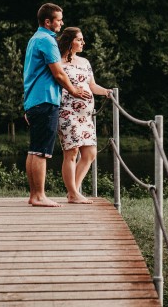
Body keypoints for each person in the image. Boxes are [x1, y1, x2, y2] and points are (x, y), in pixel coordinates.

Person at [23, 3, 91, 207]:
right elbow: (58, 72)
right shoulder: (47, 40)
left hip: (34, 100)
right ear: (48, 22)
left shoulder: (34, 39)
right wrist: (74, 90)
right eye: (58, 20)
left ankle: (34, 195)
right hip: (45, 100)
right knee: (42, 151)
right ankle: (39, 196)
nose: (61, 23)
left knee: (34, 150)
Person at [57, 27, 112, 204]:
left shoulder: (85, 62)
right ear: (69, 41)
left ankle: (74, 191)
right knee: (71, 153)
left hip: (85, 117)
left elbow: (92, 85)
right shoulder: (57, 62)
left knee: (90, 153)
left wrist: (106, 92)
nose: (83, 43)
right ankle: (73, 192)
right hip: (66, 112)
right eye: (79, 39)